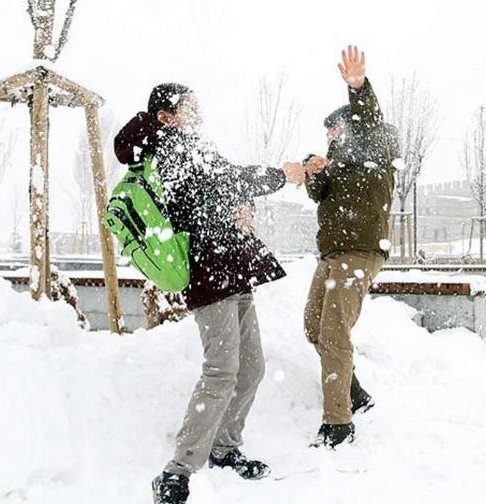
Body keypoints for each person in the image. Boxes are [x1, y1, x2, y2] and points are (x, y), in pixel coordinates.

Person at [114, 83, 306, 504]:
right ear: (166, 116)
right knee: (221, 369)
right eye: (189, 107)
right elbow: (228, 180)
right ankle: (177, 471)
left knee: (252, 367)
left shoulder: (192, 146)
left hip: (232, 267)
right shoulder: (168, 147)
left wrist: (244, 209)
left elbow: (223, 190)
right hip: (209, 270)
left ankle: (224, 448)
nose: (199, 112)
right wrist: (282, 175)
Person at [302, 46, 401, 448]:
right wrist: (313, 169)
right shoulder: (337, 165)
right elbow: (318, 194)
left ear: (351, 127)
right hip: (332, 255)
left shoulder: (375, 148)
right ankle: (353, 391)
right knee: (314, 326)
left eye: (335, 130)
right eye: (327, 132)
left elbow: (369, 120)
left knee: (334, 332)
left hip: (359, 253)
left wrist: (358, 87)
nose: (330, 137)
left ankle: (338, 424)